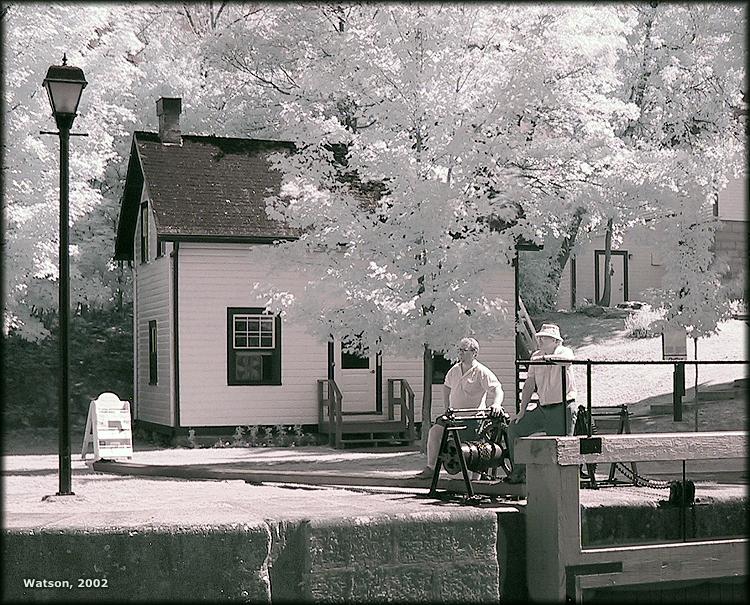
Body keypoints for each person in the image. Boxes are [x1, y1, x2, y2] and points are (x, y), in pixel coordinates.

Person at [414, 337, 509, 479]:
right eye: (459, 350)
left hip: (473, 418)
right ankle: (431, 468)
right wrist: (447, 407)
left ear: (474, 353)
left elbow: (497, 390)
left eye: (464, 351)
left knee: (474, 450)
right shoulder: (454, 370)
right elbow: (446, 387)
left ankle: (476, 481)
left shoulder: (481, 371)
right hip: (455, 416)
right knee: (434, 432)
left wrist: (496, 404)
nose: (461, 354)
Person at [504, 323, 577, 484]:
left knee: (561, 448)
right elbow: (529, 384)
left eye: (545, 338)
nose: (540, 340)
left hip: (562, 408)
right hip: (542, 409)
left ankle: (560, 483)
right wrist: (522, 410)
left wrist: (544, 359)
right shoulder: (536, 356)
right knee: (515, 428)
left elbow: (567, 360)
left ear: (556, 341)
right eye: (539, 337)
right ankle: (520, 471)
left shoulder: (564, 352)